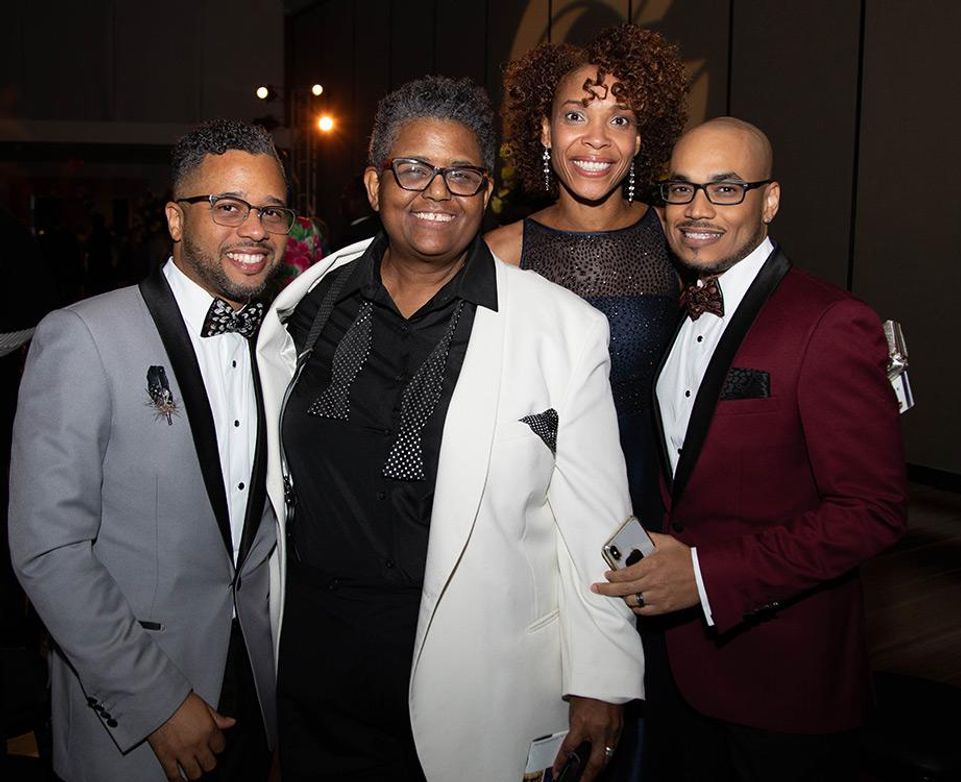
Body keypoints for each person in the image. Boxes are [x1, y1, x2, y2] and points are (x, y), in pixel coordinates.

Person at [256, 75, 643, 782]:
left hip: (476, 662)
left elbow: (600, 522)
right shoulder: (304, 305)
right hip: (316, 654)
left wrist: (605, 674)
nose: (437, 192)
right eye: (414, 169)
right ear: (376, 185)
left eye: (462, 174)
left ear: (488, 191)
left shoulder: (562, 330)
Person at [594, 117, 908, 781]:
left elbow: (871, 511)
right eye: (681, 189)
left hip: (782, 683)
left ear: (769, 201)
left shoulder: (830, 322)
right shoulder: (676, 309)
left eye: (726, 188)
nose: (698, 210)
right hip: (676, 670)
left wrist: (708, 576)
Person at [8, 119, 287, 782]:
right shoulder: (83, 338)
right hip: (139, 710)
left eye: (272, 211)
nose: (255, 229)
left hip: (257, 692)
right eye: (227, 207)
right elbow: (48, 550)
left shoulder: (284, 341)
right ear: (173, 217)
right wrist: (155, 702)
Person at [485, 24, 688, 780]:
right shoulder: (503, 253)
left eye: (620, 118)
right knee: (548, 710)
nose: (595, 137)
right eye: (575, 114)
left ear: (642, 141)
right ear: (542, 128)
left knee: (638, 714)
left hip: (650, 506)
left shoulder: (677, 241)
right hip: (541, 511)